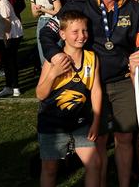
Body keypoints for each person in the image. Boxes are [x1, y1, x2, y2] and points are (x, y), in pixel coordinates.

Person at [40, 0, 139, 187]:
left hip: (121, 81)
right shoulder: (81, 3)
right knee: (97, 141)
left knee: (125, 137)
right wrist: (55, 55)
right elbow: (48, 33)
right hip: (91, 84)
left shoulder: (135, 9)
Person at [35, 10, 102, 187]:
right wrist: (53, 74)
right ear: (62, 34)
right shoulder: (53, 60)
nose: (81, 36)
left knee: (94, 164)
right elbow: (40, 94)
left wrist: (95, 121)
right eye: (75, 31)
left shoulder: (92, 57)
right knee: (50, 170)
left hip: (80, 123)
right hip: (52, 124)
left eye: (85, 30)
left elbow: (96, 90)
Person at [26, 0, 62, 67]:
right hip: (41, 22)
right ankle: (45, 69)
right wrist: (37, 10)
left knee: (56, 46)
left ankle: (58, 69)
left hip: (54, 21)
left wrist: (43, 9)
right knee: (42, 48)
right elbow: (34, 14)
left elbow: (59, 11)